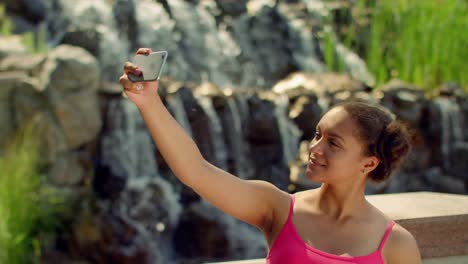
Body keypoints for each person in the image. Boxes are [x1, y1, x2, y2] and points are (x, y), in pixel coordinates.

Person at [119, 48, 422, 263]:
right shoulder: (276, 208)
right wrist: (149, 103)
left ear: (368, 163)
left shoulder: (396, 245)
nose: (314, 148)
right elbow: (196, 171)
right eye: (317, 134)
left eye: (334, 143)